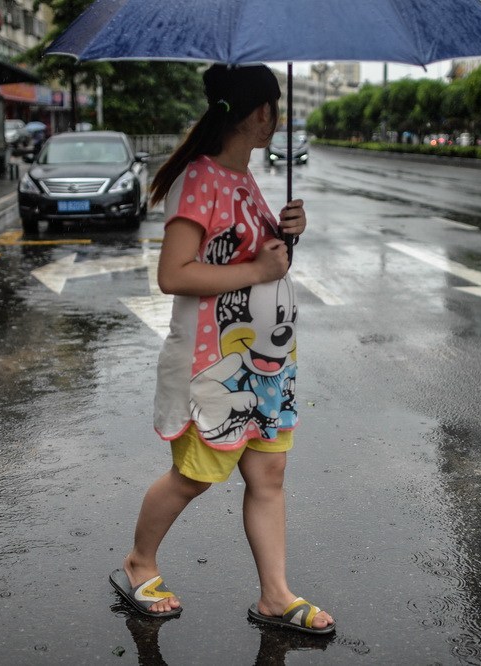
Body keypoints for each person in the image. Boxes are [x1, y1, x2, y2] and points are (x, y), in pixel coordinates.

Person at [109, 64, 335, 636]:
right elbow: (174, 274)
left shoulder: (247, 182)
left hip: (266, 363)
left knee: (269, 476)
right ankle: (139, 562)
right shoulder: (200, 180)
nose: (276, 120)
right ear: (261, 113)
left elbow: (262, 267)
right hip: (215, 363)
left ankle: (276, 595)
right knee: (195, 474)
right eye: (274, 110)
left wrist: (288, 237)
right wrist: (259, 265)